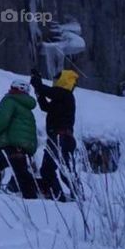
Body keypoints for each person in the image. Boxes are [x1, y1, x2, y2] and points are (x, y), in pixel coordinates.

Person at [0, 79, 39, 199]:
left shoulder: (9, 100)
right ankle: (34, 195)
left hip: (12, 144)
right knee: (21, 171)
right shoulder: (26, 106)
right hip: (25, 146)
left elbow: (2, 122)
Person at [32, 68, 78, 200]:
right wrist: (38, 90)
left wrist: (38, 83)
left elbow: (48, 92)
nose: (54, 81)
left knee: (48, 170)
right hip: (66, 138)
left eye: (56, 79)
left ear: (63, 80)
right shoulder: (63, 98)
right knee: (66, 170)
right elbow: (45, 106)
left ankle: (58, 196)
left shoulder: (64, 94)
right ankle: (77, 196)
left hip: (59, 137)